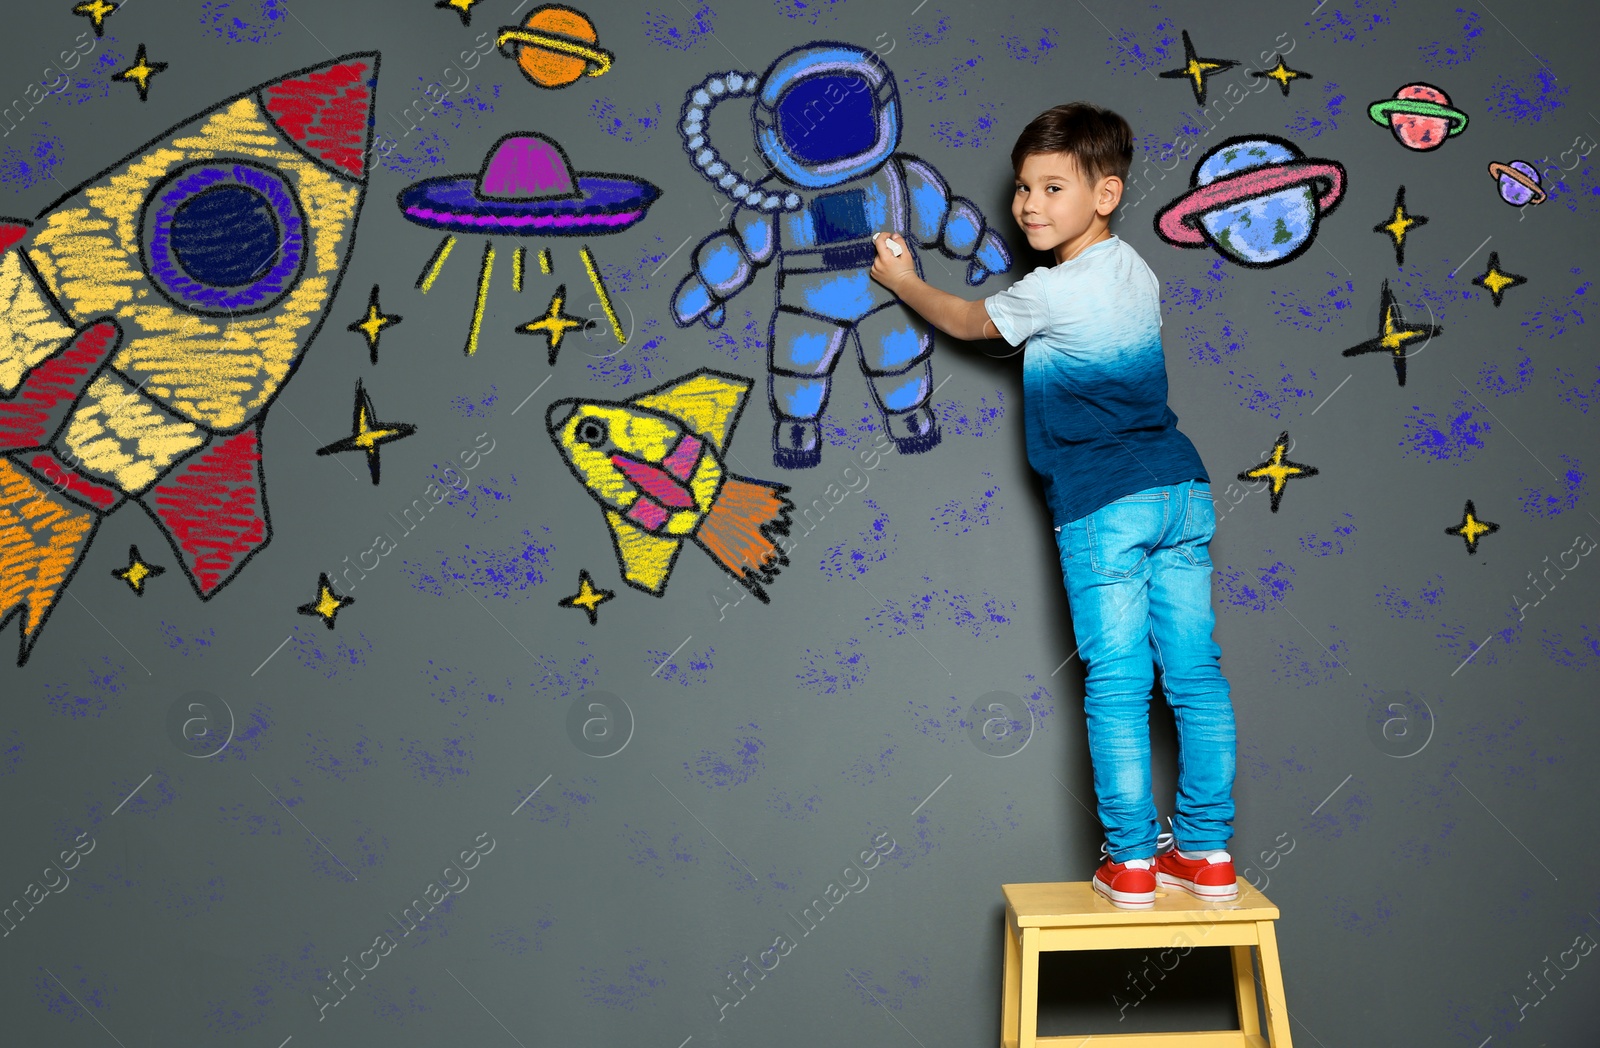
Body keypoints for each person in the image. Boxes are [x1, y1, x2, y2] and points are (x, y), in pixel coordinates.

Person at [867, 102, 1238, 909]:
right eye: (1023, 187)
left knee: (1116, 683)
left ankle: (1133, 860)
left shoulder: (1050, 291)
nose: (1029, 205)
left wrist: (903, 280)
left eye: (1052, 187)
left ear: (1105, 194)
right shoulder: (1137, 270)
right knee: (1197, 677)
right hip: (1182, 489)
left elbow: (969, 322)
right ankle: (1207, 851)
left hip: (1104, 503)